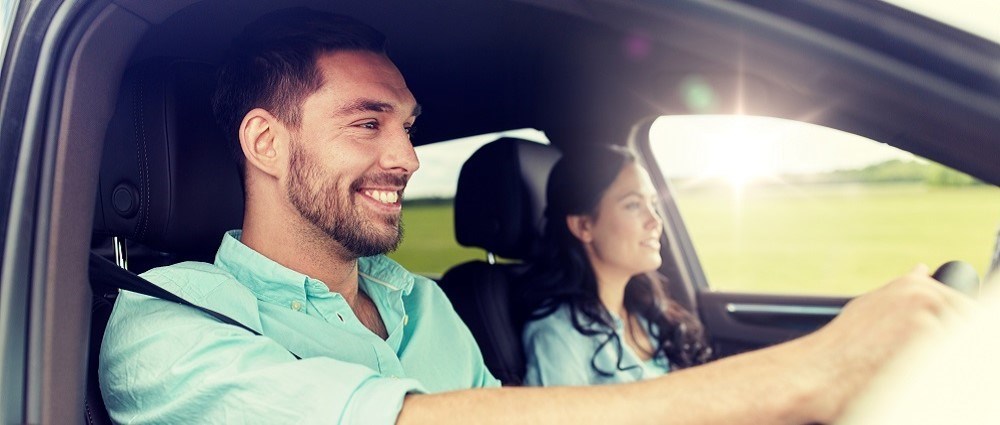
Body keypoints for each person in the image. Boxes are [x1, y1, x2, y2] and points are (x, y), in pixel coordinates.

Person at [99, 7, 972, 425]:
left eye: (408, 126)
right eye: (367, 122)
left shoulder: (422, 302)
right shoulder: (169, 323)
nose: (404, 157)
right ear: (266, 141)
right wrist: (813, 373)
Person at [521, 145, 711, 387]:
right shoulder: (558, 336)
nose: (655, 221)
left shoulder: (648, 312)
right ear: (584, 226)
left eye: (652, 203)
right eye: (633, 205)